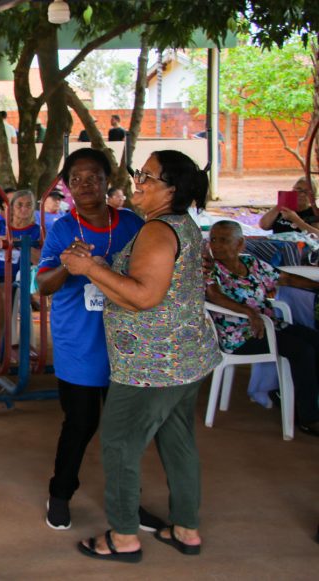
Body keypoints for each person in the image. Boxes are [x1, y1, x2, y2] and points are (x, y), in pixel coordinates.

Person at [63, 150, 220, 562]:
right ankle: (185, 529)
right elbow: (137, 292)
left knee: (118, 444)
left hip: (151, 369)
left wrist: (87, 269)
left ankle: (124, 537)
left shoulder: (156, 231)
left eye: (147, 176)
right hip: (186, 359)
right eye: (139, 173)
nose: (137, 181)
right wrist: (99, 265)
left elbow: (144, 297)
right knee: (178, 441)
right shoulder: (180, 225)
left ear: (172, 189)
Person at [36, 148, 145, 531]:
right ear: (67, 187)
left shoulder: (132, 224)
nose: (85, 185)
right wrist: (68, 265)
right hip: (80, 345)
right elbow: (42, 284)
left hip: (127, 344)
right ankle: (60, 493)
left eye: (93, 177)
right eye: (76, 179)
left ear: (107, 180)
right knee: (81, 423)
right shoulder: (64, 229)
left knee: (127, 429)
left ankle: (130, 502)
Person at [206, 220, 319, 435]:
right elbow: (214, 295)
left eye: (223, 240)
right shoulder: (210, 268)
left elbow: (284, 278)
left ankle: (297, 398)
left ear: (240, 244)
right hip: (239, 336)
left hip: (269, 326)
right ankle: (309, 418)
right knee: (302, 350)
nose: (216, 245)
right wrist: (249, 313)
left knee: (314, 340)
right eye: (213, 240)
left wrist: (316, 286)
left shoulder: (252, 263)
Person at [0, 189, 42, 282]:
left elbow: (40, 261)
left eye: (29, 205)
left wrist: (16, 242)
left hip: (15, 278)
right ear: (11, 207)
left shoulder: (37, 231)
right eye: (20, 205)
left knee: (2, 289)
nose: (24, 209)